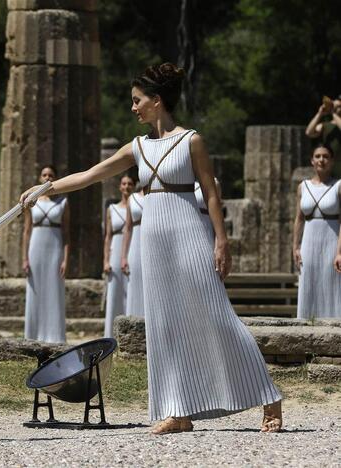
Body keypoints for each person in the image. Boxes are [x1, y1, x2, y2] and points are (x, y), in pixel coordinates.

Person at [21, 63, 282, 435]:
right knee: (164, 324)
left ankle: (268, 396)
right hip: (154, 239)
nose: (132, 108)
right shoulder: (138, 147)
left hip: (190, 232)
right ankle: (178, 409)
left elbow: (210, 193)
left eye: (137, 100)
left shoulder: (191, 140)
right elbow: (90, 175)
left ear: (157, 101)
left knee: (217, 315)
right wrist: (44, 189)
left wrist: (221, 241)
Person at [22, 165, 70, 343]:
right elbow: (26, 231)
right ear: (40, 178)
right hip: (36, 247)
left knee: (54, 289)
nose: (47, 177)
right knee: (35, 289)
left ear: (55, 179)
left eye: (51, 175)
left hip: (55, 247)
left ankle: (54, 335)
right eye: (44, 175)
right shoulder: (31, 202)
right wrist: (24, 258)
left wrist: (66, 258)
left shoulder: (63, 202)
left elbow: (66, 233)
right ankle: (33, 334)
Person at [292, 144, 341, 319]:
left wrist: (339, 252)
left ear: (332, 161)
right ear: (312, 160)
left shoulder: (338, 186)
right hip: (308, 242)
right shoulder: (303, 186)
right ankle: (305, 325)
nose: (322, 160)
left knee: (331, 283)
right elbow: (298, 218)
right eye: (318, 156)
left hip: (332, 241)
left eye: (326, 156)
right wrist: (295, 247)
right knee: (308, 282)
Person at [103, 175, 134, 336]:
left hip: (132, 248)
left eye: (130, 184)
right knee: (115, 292)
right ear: (120, 187)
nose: (127, 186)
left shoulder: (138, 206)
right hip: (116, 249)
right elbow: (108, 236)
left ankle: (130, 334)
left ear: (134, 187)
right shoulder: (112, 209)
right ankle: (110, 334)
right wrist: (106, 260)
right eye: (124, 184)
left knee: (130, 290)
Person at [121, 180, 144, 317]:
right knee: (135, 283)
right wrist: (123, 256)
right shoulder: (132, 198)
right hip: (135, 247)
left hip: (154, 243)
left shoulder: (158, 194)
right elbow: (128, 229)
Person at [305, 95, 341, 170]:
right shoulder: (325, 125)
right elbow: (309, 132)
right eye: (336, 106)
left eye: (339, 106)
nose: (336, 108)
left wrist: (332, 113)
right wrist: (319, 113)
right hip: (328, 166)